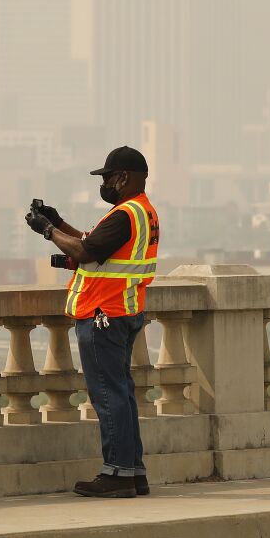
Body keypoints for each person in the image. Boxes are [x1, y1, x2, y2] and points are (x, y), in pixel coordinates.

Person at [25, 145, 159, 499]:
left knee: (108, 396)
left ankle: (116, 474)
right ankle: (133, 473)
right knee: (122, 395)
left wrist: (47, 230)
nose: (105, 183)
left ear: (124, 177)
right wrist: (58, 222)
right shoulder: (140, 213)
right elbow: (92, 244)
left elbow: (85, 252)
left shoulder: (124, 214)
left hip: (103, 316)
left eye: (107, 177)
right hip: (122, 313)